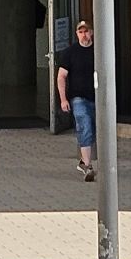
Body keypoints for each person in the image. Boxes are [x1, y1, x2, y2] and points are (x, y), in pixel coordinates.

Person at [56, 19, 97, 183]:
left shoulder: (99, 50)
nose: (84, 35)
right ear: (76, 34)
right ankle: (88, 165)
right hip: (78, 97)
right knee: (84, 125)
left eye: (86, 31)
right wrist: (63, 99)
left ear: (91, 33)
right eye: (81, 32)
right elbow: (61, 76)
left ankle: (83, 160)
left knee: (94, 129)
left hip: (97, 97)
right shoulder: (70, 53)